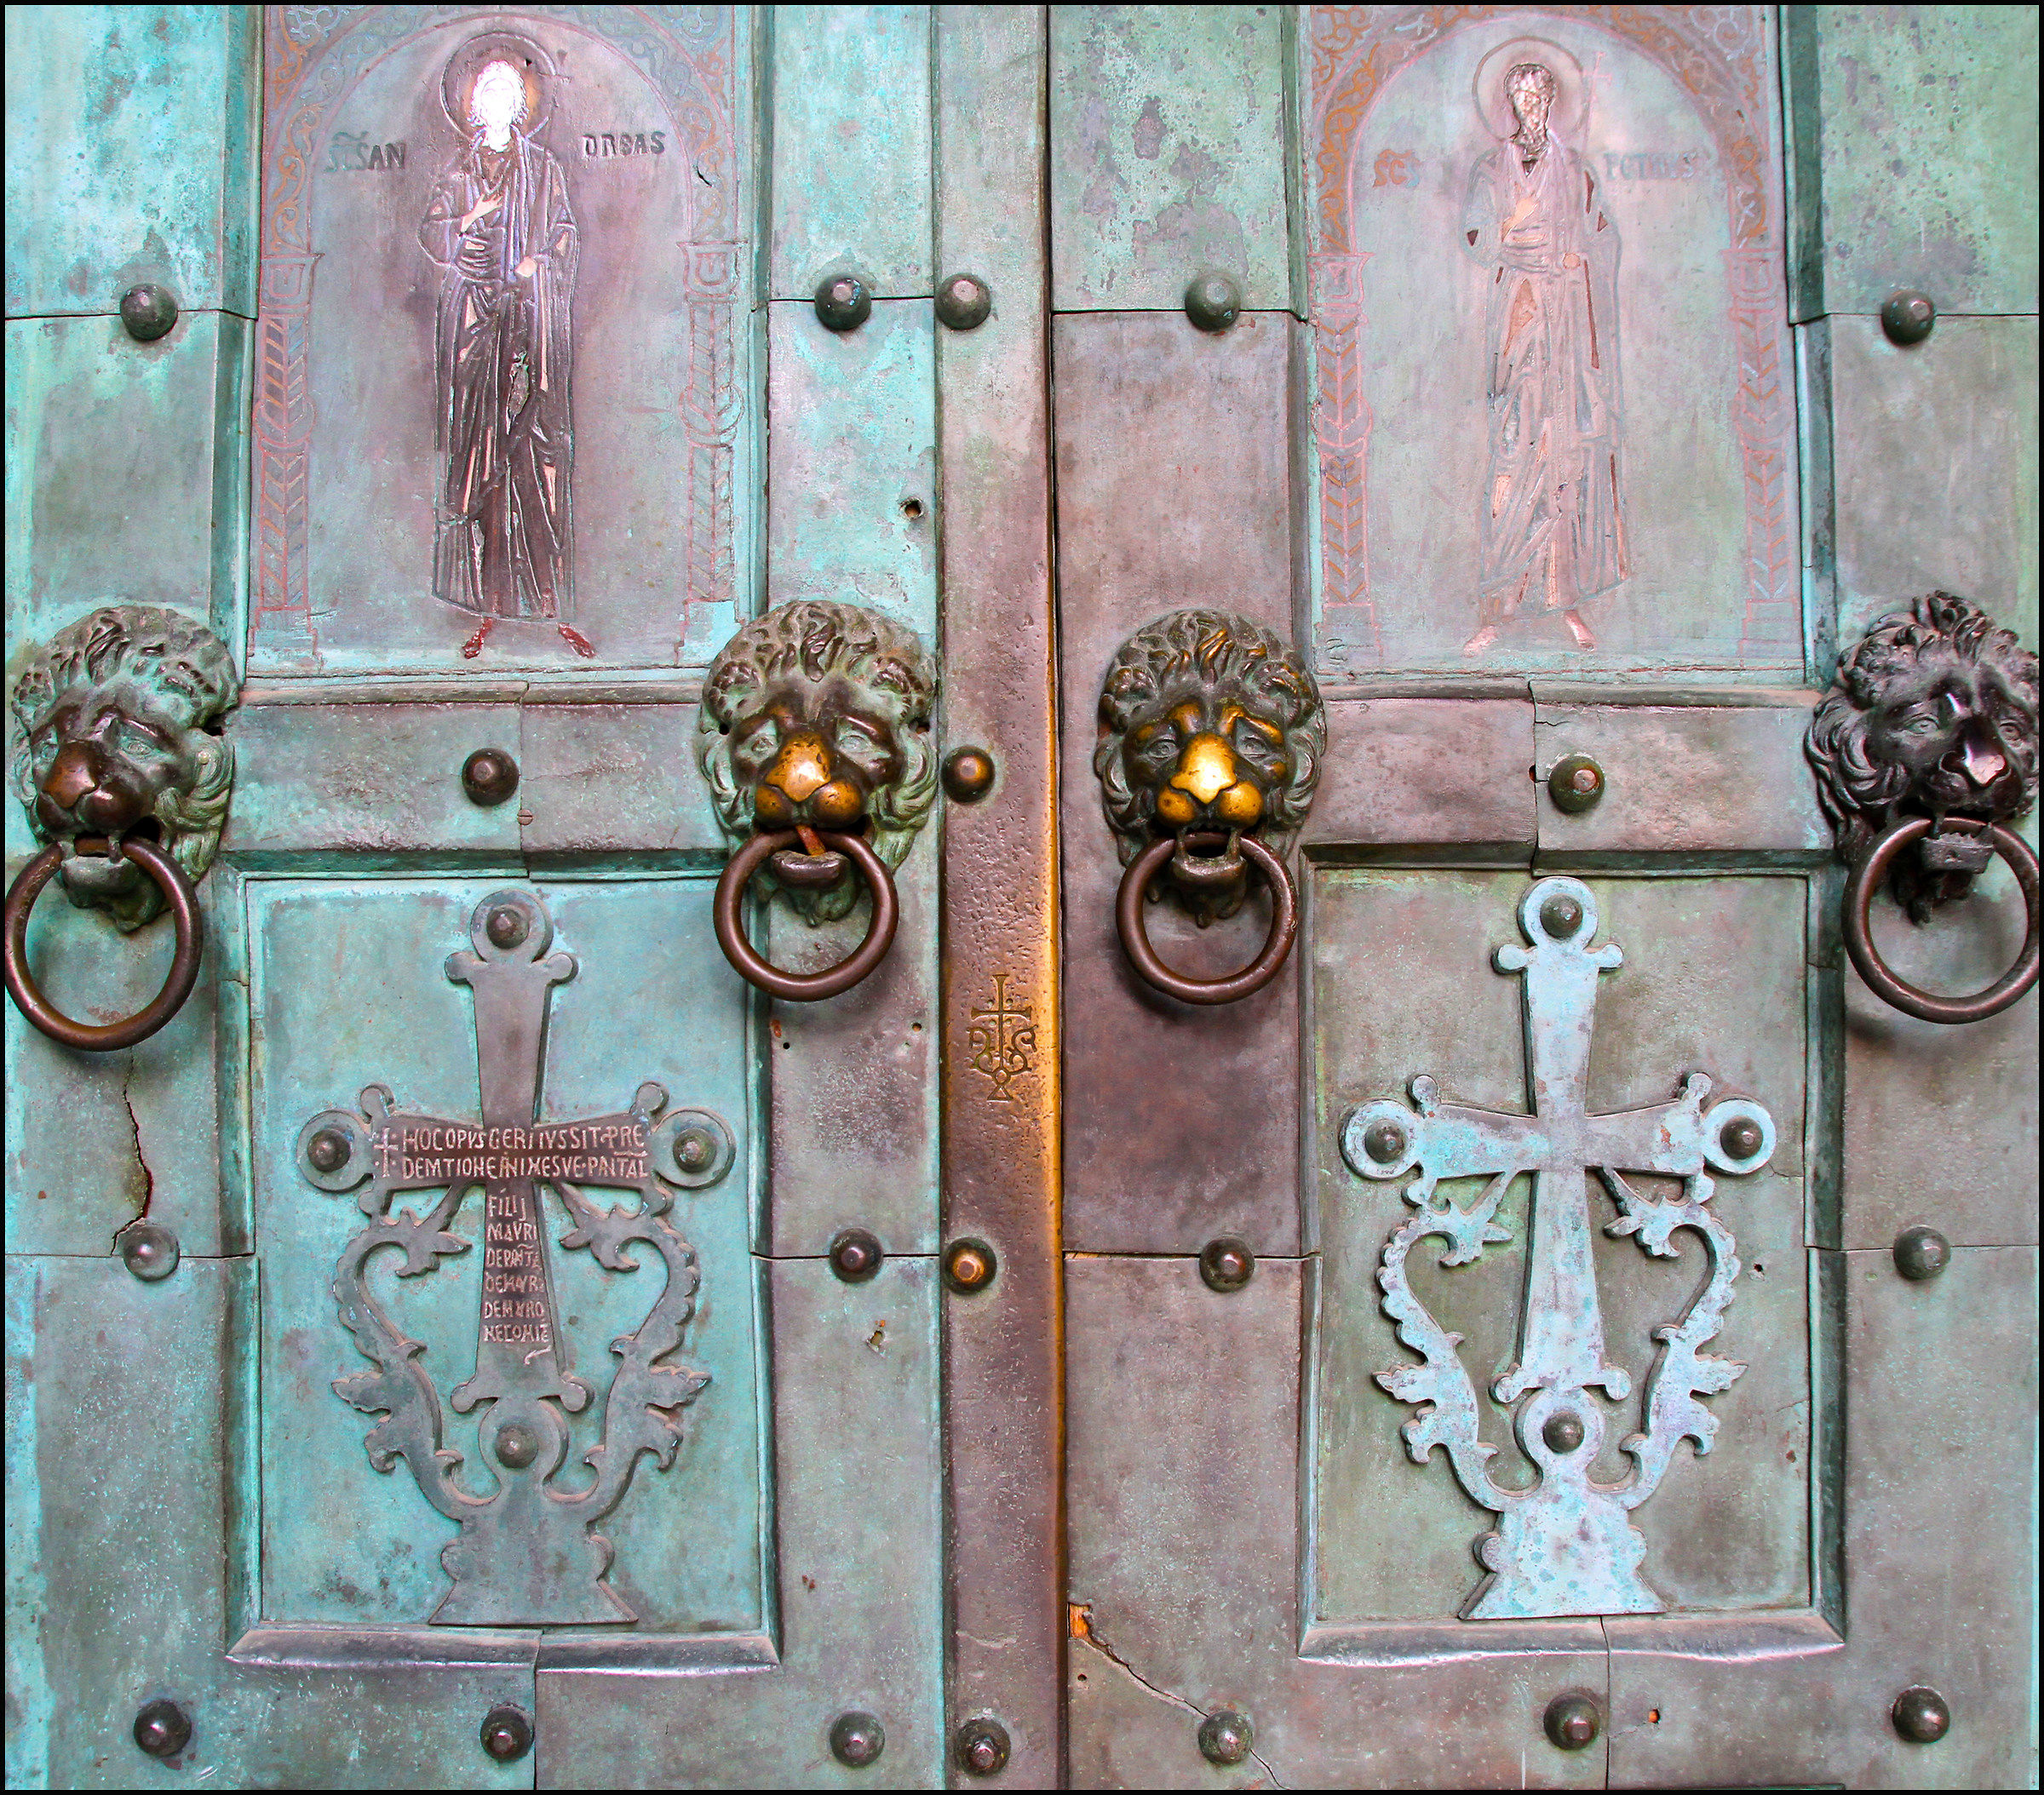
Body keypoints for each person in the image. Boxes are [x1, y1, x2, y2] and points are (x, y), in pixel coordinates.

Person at [419, 56, 592, 657]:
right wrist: (471, 222)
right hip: (472, 325)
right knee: (478, 453)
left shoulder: (542, 167)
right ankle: (481, 605)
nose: (495, 101)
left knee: (535, 454)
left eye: (506, 92)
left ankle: (545, 601)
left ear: (519, 106)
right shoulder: (460, 170)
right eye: (486, 92)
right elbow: (434, 230)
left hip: (528, 328)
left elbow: (565, 234)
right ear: (474, 105)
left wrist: (533, 266)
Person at [1461, 61, 1626, 656]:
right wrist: (1514, 236)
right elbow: (1475, 238)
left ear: (1551, 101)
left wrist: (1582, 257)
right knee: (1510, 460)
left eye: (1539, 95)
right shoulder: (1491, 168)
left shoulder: (1575, 170)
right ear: (1509, 102)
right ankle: (1495, 612)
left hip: (1564, 324)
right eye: (1521, 95)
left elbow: (1604, 235)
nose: (1530, 105)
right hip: (1518, 318)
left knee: (1564, 464)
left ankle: (1569, 608)